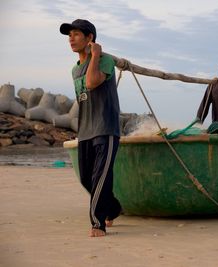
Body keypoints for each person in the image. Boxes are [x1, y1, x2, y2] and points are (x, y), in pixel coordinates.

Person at [60, 19, 121, 237]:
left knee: (100, 177)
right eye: (70, 35)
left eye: (76, 34)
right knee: (86, 178)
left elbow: (93, 82)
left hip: (106, 127)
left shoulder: (105, 60)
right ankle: (113, 208)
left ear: (89, 39)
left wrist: (95, 56)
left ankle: (98, 223)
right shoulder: (75, 70)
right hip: (85, 130)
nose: (71, 38)